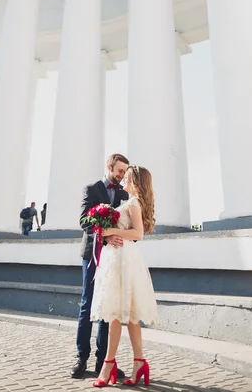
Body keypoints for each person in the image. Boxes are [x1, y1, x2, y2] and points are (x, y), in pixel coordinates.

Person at [90, 165, 159, 388]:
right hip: (119, 258)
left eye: (127, 176)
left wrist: (109, 231)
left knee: (116, 316)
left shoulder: (134, 203)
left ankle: (108, 364)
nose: (123, 180)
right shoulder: (129, 202)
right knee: (128, 316)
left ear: (135, 180)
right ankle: (139, 362)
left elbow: (138, 234)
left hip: (124, 260)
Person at [70, 153, 130, 380]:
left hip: (114, 256)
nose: (122, 175)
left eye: (125, 172)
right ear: (109, 166)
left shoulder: (125, 194)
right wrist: (105, 235)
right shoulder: (92, 189)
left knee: (108, 307)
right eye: (119, 170)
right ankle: (81, 357)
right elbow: (84, 220)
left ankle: (102, 362)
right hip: (92, 255)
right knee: (87, 304)